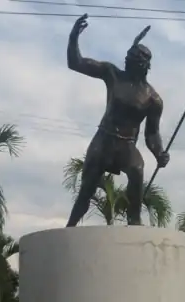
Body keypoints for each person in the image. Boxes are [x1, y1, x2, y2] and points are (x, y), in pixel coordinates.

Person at [66, 14, 170, 226]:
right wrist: (73, 37)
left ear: (144, 65)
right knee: (87, 190)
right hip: (104, 140)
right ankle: (71, 225)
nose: (126, 63)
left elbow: (152, 133)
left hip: (127, 144)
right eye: (127, 59)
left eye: (132, 61)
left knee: (137, 169)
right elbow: (76, 63)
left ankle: (134, 221)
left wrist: (159, 152)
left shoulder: (153, 98)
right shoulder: (112, 74)